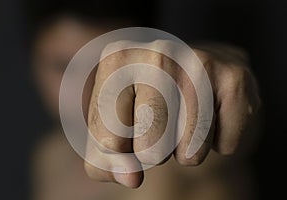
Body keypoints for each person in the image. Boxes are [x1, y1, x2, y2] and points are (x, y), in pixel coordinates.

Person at [29, 5, 260, 200]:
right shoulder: (50, 157)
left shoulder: (174, 150)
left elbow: (225, 125)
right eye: (62, 66)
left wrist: (206, 77)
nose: (84, 88)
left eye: (103, 65)